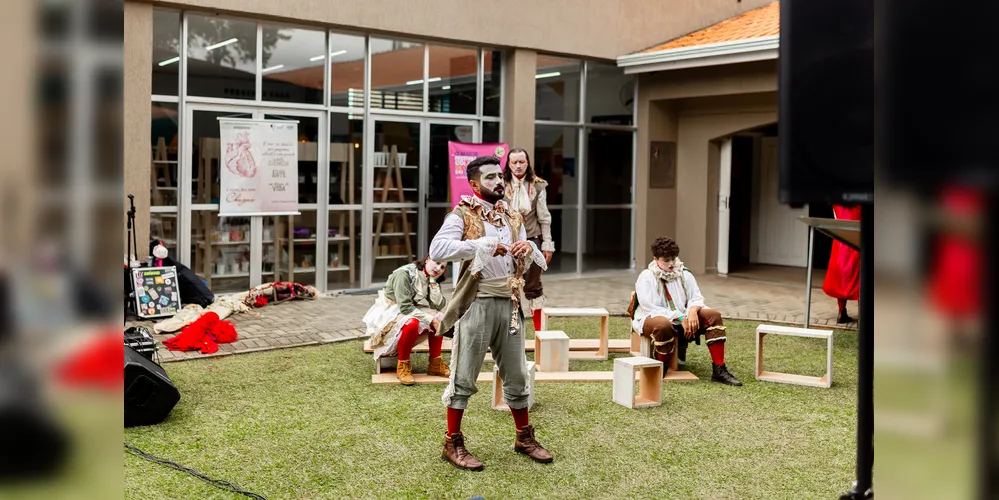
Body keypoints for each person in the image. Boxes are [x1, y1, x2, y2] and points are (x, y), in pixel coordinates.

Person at [430, 155, 553, 471]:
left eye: (500, 176)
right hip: (477, 303)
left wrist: (528, 248)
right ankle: (452, 443)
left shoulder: (511, 214)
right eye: (490, 177)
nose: (499, 181)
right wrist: (481, 245)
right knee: (463, 376)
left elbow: (528, 252)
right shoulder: (462, 214)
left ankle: (523, 437)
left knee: (517, 374)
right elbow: (437, 249)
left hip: (510, 302)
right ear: (474, 184)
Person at [631, 236, 742, 386]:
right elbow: (650, 307)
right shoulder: (647, 277)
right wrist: (680, 317)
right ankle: (660, 367)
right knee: (663, 325)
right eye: (666, 260)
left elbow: (696, 297)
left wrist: (692, 311)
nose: (671, 264)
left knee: (713, 316)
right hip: (652, 318)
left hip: (684, 316)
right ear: (655, 259)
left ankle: (719, 370)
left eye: (673, 259)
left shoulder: (684, 273)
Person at [362, 256, 449, 385]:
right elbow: (405, 307)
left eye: (442, 267)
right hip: (391, 310)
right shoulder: (404, 273)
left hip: (409, 308)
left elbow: (438, 305)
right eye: (436, 263)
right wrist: (431, 320)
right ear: (427, 259)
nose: (438, 268)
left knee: (439, 317)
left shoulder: (430, 277)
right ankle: (403, 365)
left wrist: (433, 284)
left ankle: (435, 364)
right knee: (412, 323)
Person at [503, 148, 555, 330]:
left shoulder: (538, 185)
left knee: (533, 286)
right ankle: (509, 329)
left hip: (532, 241)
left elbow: (544, 218)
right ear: (509, 164)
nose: (518, 166)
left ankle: (540, 333)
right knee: (506, 285)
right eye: (514, 162)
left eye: (521, 162)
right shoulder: (500, 184)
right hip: (506, 242)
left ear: (527, 163)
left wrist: (547, 245)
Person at [822, 205, 862, 323]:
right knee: (860, 278)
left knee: (841, 278)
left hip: (840, 242)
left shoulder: (837, 201)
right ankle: (862, 315)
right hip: (857, 240)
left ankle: (841, 312)